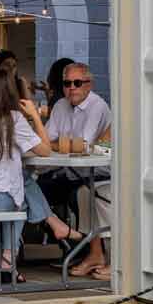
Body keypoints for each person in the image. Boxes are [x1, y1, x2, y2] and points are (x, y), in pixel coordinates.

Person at [0, 72, 81, 281]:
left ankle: (54, 225)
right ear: (11, 93)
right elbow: (45, 150)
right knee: (20, 201)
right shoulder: (13, 118)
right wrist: (35, 115)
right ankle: (9, 264)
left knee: (20, 178)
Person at [42, 62, 114, 280]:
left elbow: (83, 146)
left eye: (77, 83)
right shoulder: (60, 106)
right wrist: (61, 145)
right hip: (70, 171)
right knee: (36, 190)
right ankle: (79, 247)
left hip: (98, 171)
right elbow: (45, 141)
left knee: (81, 192)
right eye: (67, 83)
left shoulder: (97, 106)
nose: (72, 87)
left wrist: (58, 145)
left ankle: (87, 250)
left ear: (89, 84)